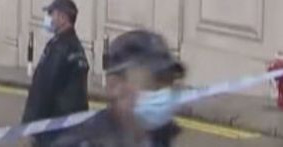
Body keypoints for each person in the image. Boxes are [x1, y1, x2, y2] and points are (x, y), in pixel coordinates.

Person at [51, 29, 185, 147]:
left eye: (168, 82)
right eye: (152, 82)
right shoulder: (81, 142)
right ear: (114, 86)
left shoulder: (162, 138)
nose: (163, 93)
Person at [22, 0, 90, 145]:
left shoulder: (59, 48)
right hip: (72, 126)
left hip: (53, 128)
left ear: (63, 17)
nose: (49, 18)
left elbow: (43, 88)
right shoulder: (77, 48)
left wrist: (32, 125)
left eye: (52, 14)